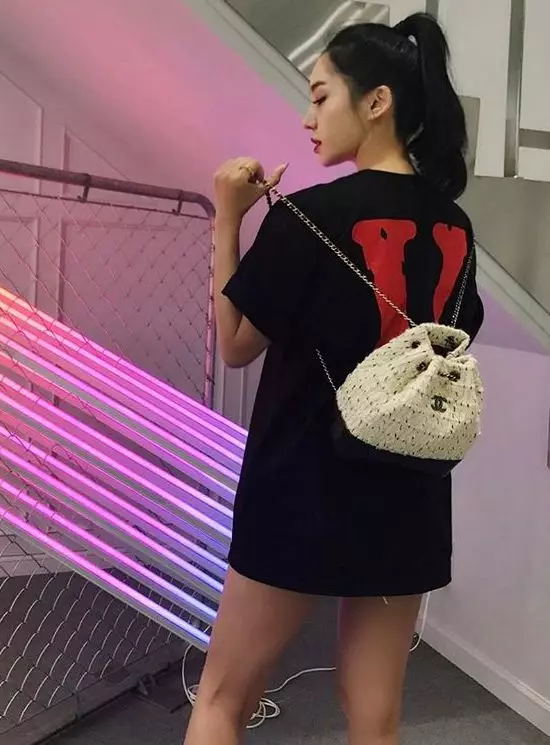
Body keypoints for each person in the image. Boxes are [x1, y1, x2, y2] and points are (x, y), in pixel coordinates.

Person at [183, 12, 485, 745]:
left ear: (377, 102)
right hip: (409, 488)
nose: (307, 117)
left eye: (321, 96)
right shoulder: (456, 225)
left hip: (301, 485)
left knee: (222, 698)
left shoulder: (311, 216)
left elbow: (236, 345)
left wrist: (226, 220)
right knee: (375, 714)